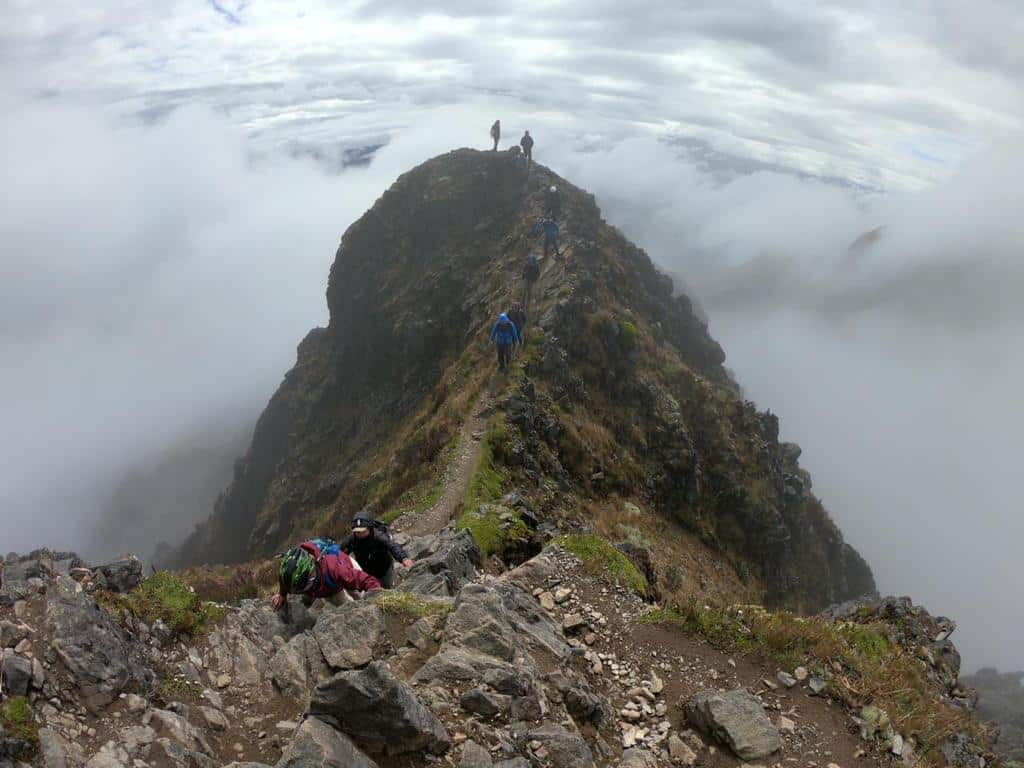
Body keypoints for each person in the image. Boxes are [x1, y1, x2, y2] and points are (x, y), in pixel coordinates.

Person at [271, 537, 380, 612]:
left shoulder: (333, 568)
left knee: (359, 595)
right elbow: (283, 579)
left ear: (310, 576)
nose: (299, 592)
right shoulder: (291, 575)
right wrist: (282, 595)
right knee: (348, 607)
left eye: (302, 588)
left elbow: (364, 580)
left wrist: (378, 596)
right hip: (330, 590)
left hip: (346, 569)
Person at [339, 511, 414, 588]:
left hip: (383, 570)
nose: (360, 534)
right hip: (366, 571)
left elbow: (392, 546)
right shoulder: (352, 539)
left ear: (370, 528)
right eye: (357, 532)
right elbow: (340, 552)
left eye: (362, 531)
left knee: (386, 587)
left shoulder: (379, 536)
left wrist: (404, 558)